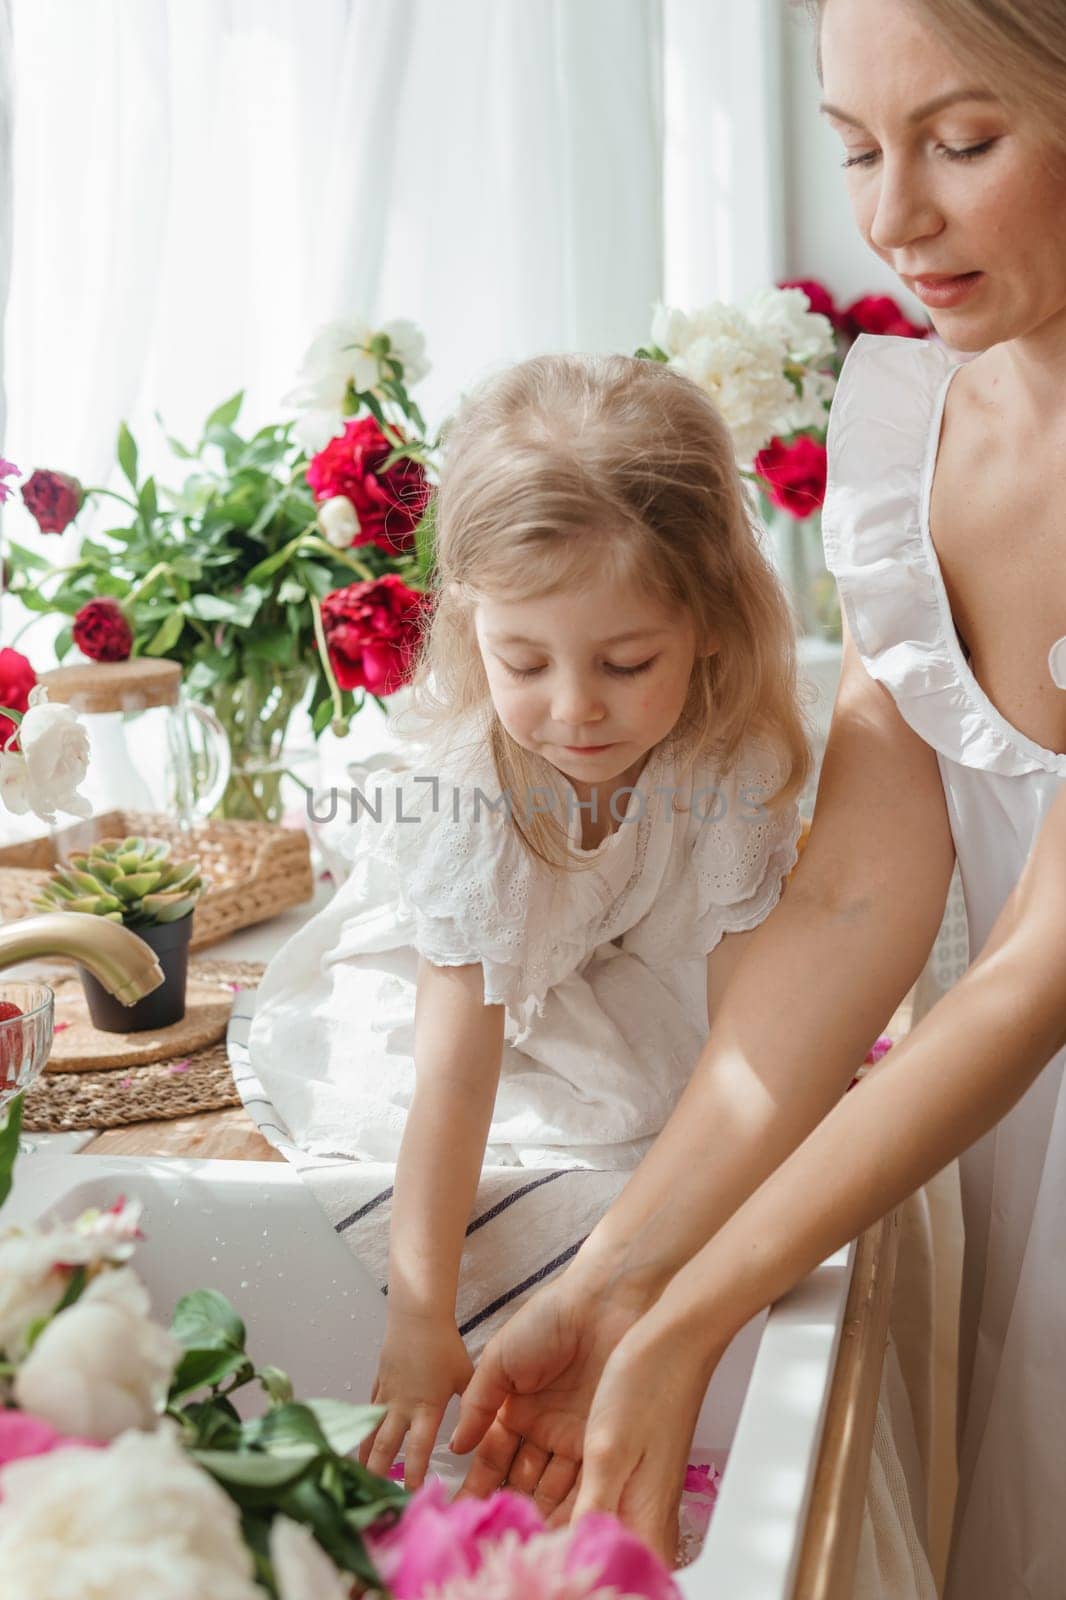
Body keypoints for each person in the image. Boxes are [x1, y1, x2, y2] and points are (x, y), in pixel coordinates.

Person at [451, 3, 1066, 1593]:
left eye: (960, 141)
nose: (889, 217)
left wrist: (694, 1312)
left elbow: (1027, 977)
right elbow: (857, 898)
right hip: (1012, 1141)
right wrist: (615, 1282)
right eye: (854, 148)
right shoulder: (908, 420)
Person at [247, 351, 809, 1489]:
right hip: (467, 983)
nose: (573, 707)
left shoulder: (734, 748)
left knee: (670, 1130)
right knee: (518, 1124)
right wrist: (421, 1317)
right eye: (523, 660)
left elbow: (752, 1020)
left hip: (623, 965)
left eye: (624, 660)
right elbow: (452, 1084)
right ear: (471, 624)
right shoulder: (480, 795)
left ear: (706, 623)